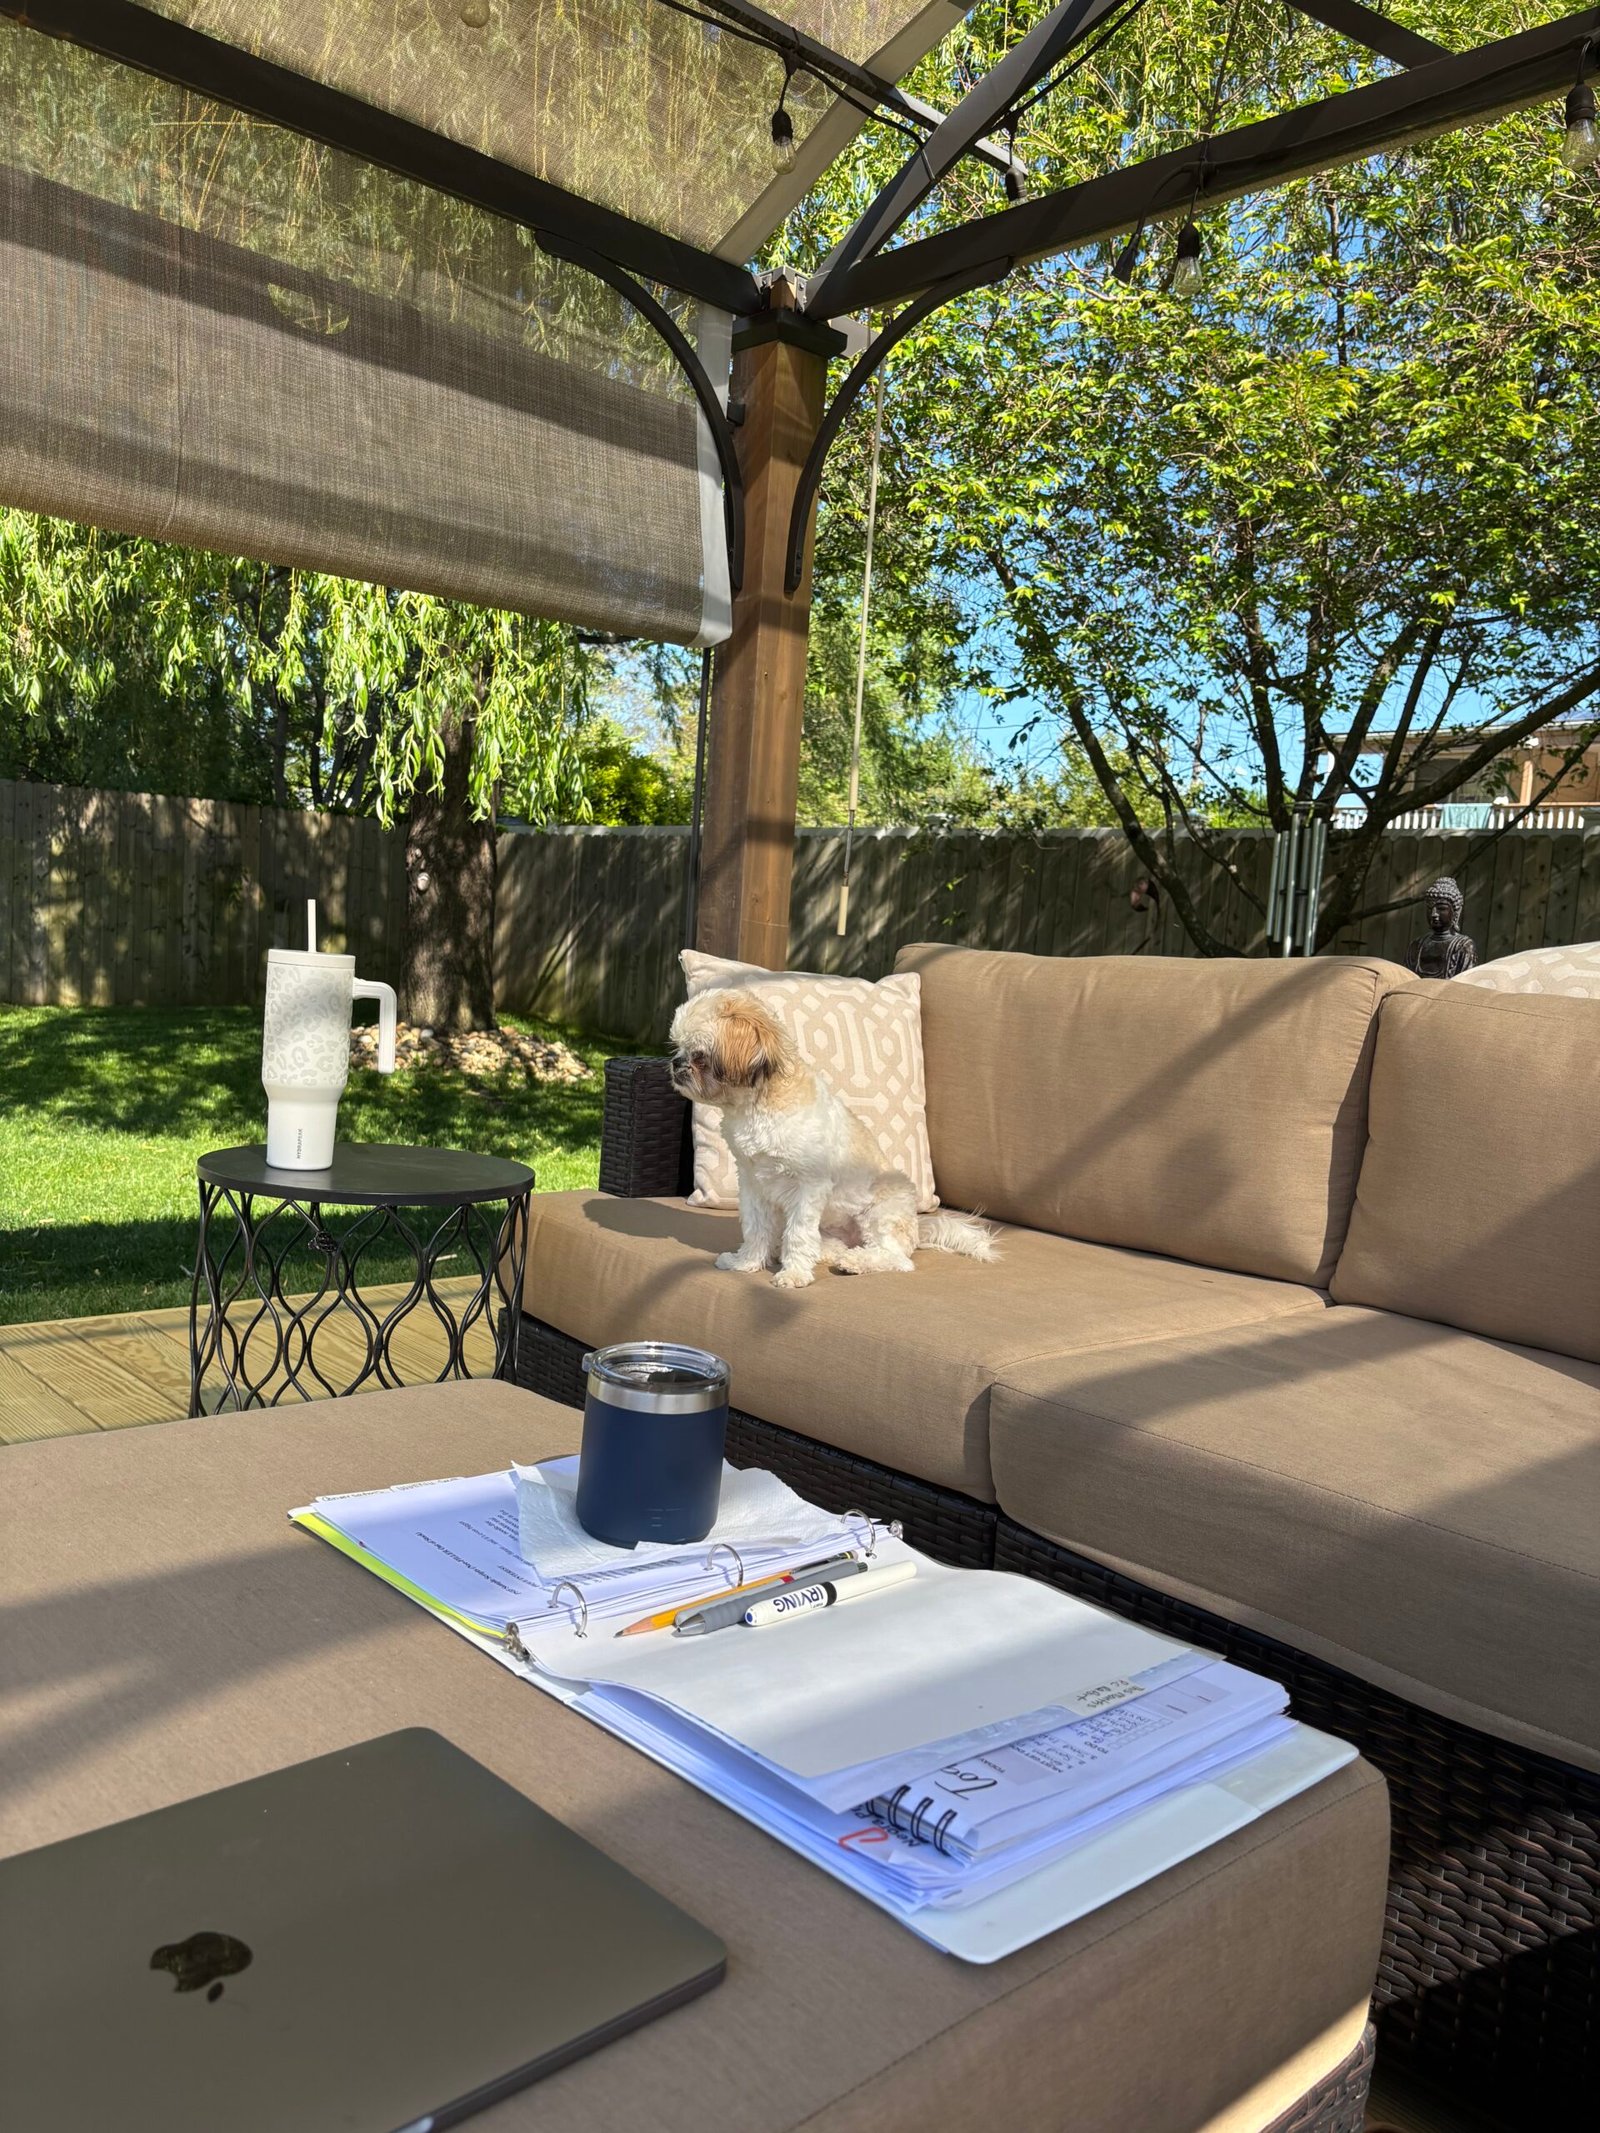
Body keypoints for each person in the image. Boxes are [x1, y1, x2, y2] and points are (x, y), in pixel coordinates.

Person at [1405, 876, 1477, 979]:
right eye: (1430, 908)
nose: (1434, 914)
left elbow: (1465, 984)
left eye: (1441, 909)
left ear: (1455, 913)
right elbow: (1404, 979)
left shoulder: (1463, 946)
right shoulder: (1416, 946)